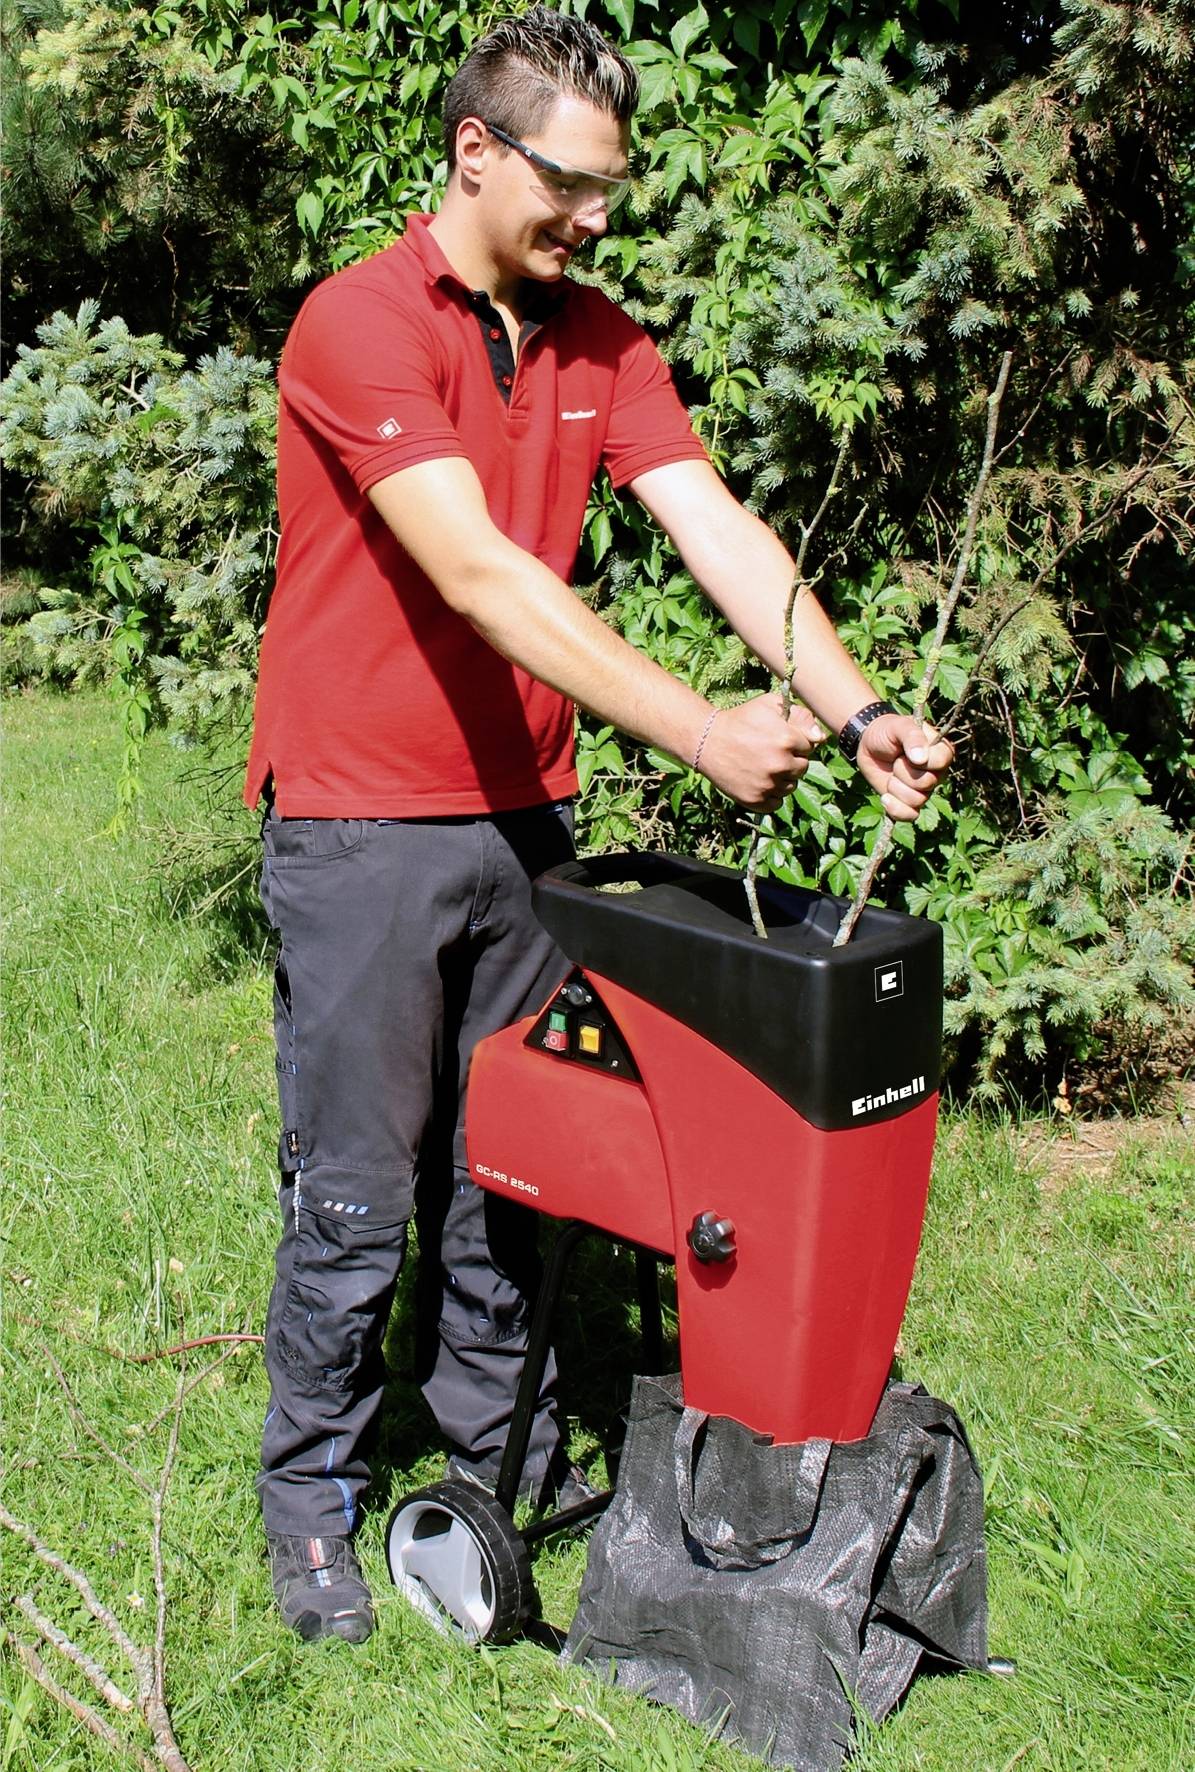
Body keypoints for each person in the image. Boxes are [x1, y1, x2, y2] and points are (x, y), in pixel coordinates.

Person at [243, 6, 953, 1645]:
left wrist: (851, 710)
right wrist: (701, 728)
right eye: (573, 185)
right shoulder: (357, 324)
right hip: (360, 828)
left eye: (615, 191)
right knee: (356, 1192)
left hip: (526, 830)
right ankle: (312, 1506)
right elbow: (483, 574)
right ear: (476, 152)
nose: (596, 219)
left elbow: (711, 522)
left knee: (516, 1172)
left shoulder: (600, 338)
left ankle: (485, 1466)